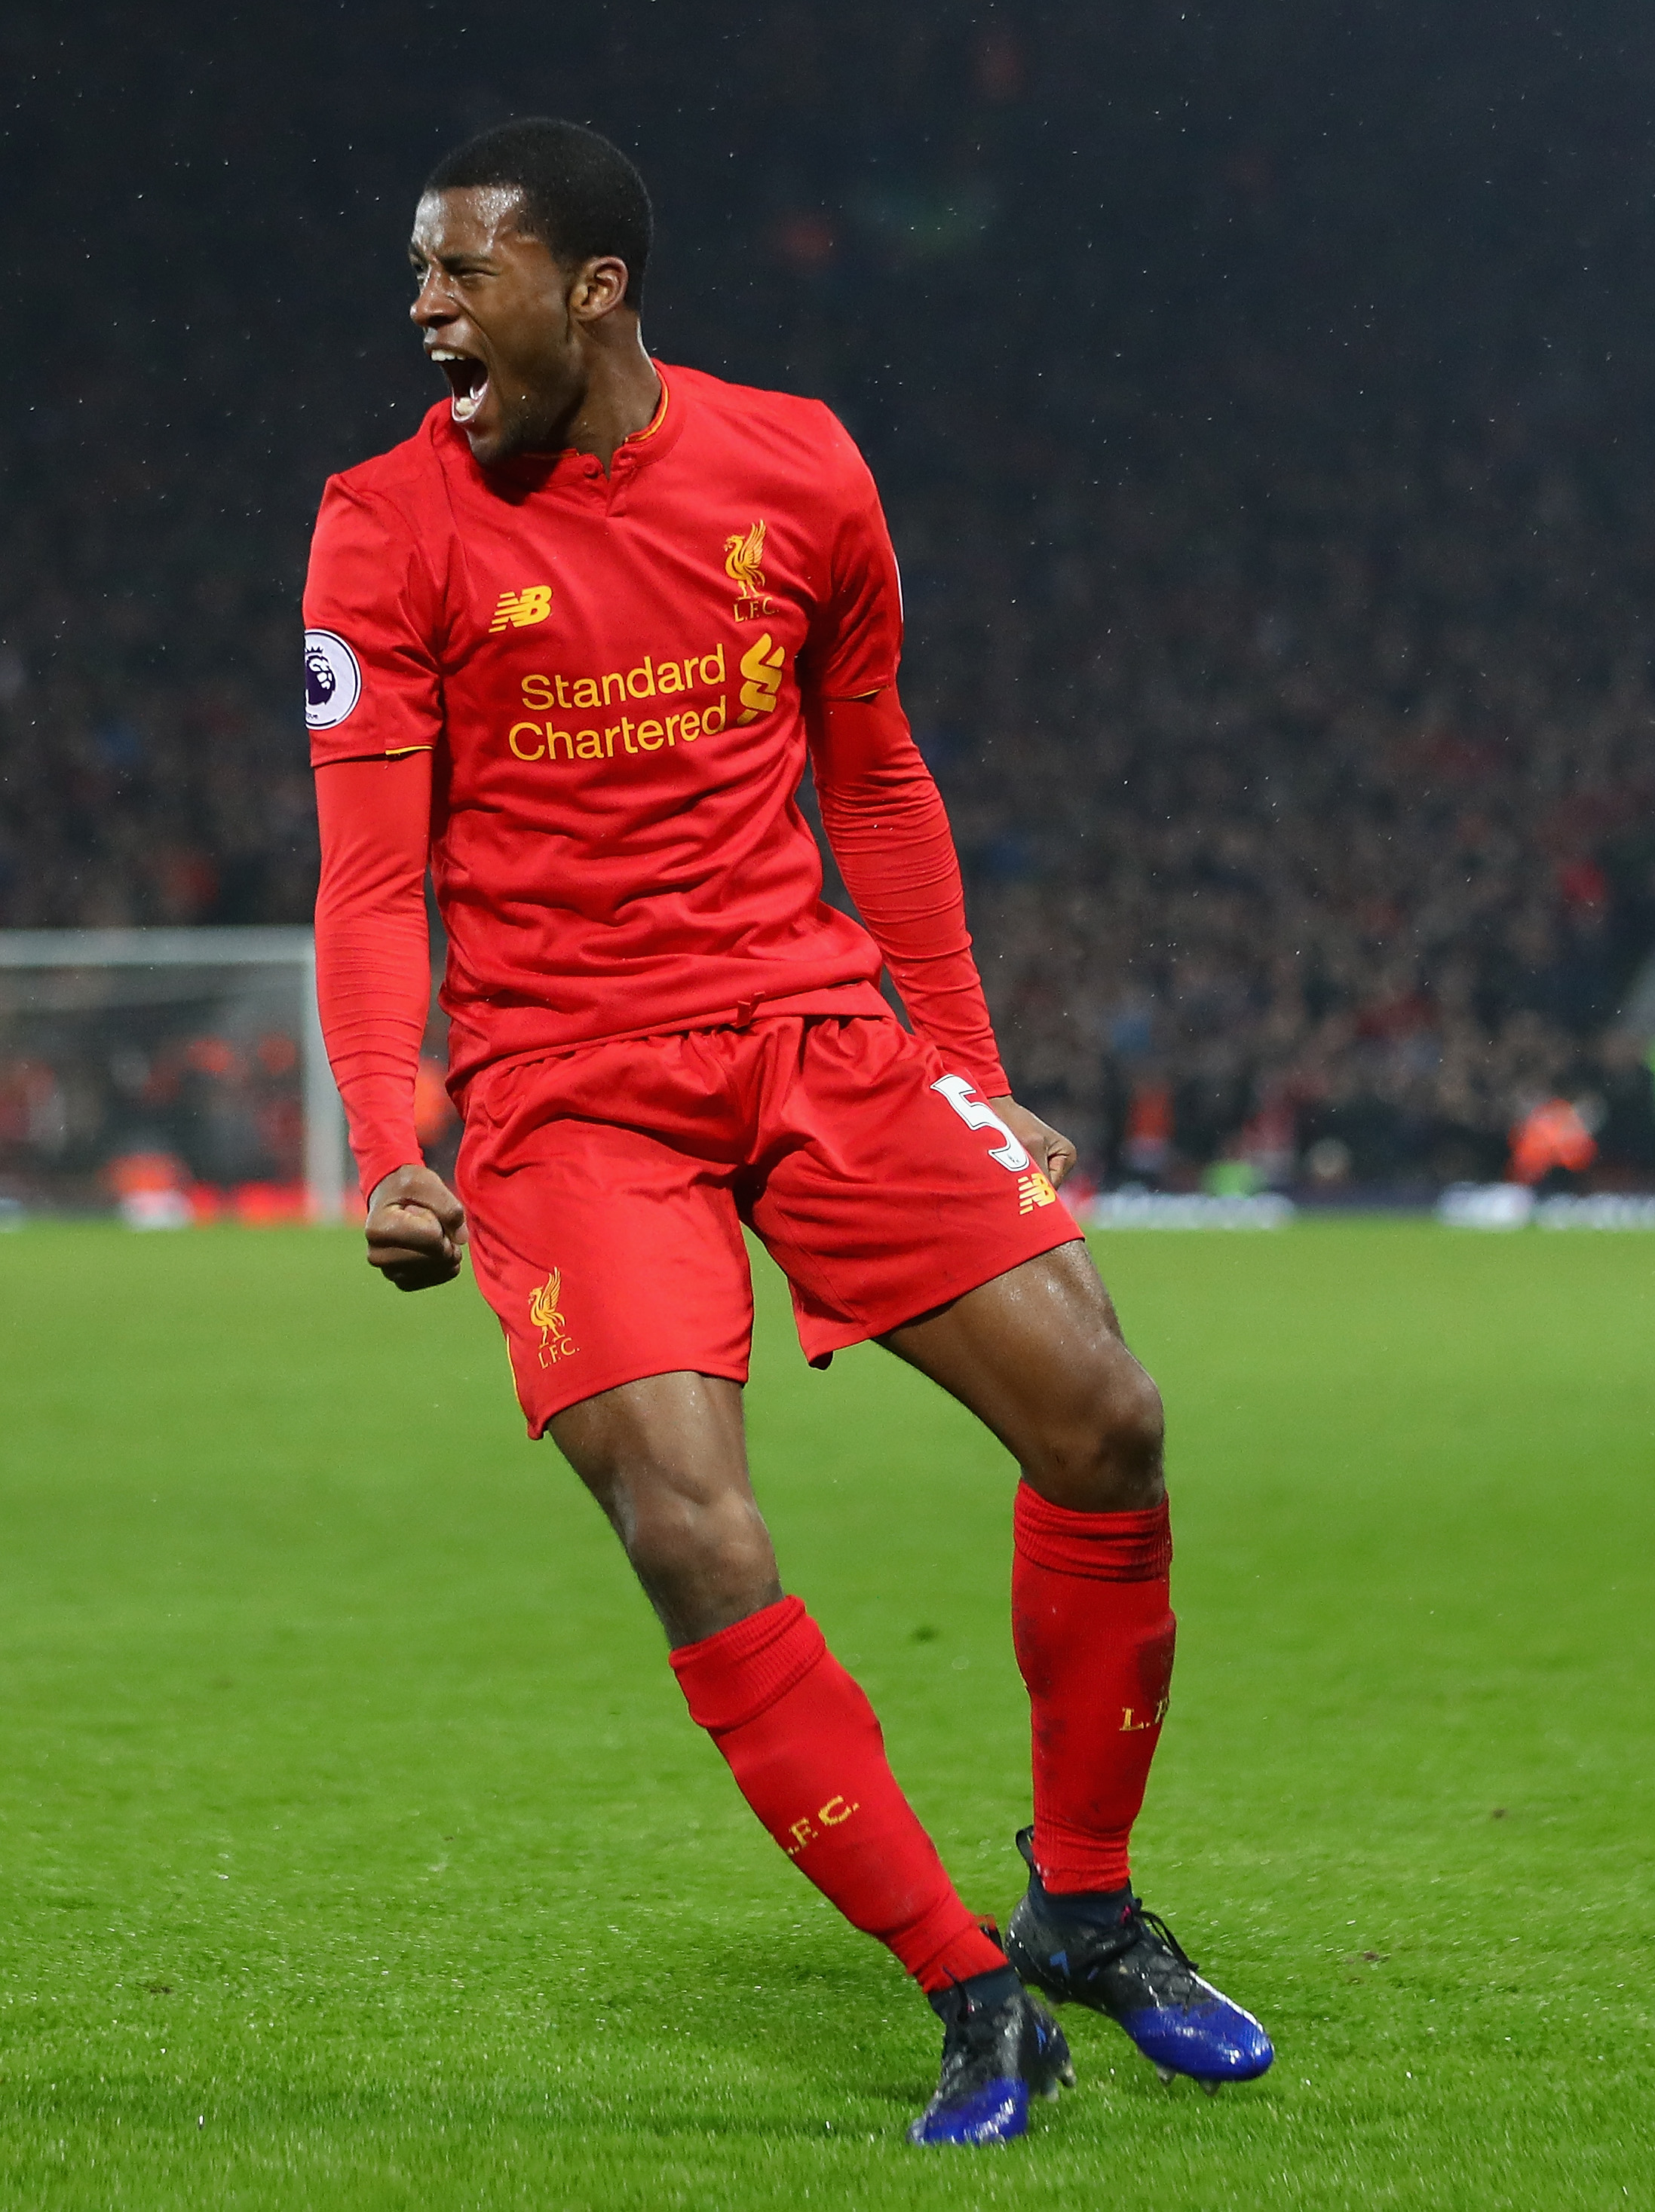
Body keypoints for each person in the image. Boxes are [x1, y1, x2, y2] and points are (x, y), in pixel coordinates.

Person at [304, 118, 1271, 2148]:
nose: (422, 311)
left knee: (1106, 1415)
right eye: (416, 273)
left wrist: (970, 1051)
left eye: (460, 273)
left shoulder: (802, 463)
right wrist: (390, 1125)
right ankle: (966, 1983)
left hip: (820, 1023)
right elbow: (373, 879)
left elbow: (879, 772)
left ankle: (1083, 1902)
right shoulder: (380, 530)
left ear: (593, 289)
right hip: (570, 1080)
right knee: (688, 1516)